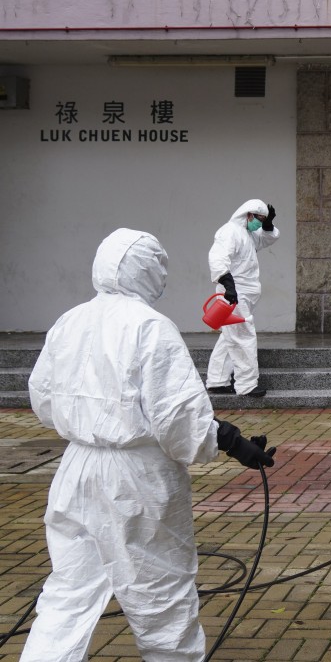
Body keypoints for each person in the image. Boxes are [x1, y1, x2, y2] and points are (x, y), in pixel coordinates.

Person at [22, 228, 276, 662]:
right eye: (159, 267)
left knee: (69, 593)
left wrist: (92, 425)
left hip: (77, 470)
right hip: (137, 479)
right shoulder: (150, 328)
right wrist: (231, 442)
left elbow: (42, 397)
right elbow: (180, 421)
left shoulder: (71, 320)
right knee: (161, 595)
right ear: (146, 270)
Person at [206, 199, 280, 397]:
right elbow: (218, 257)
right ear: (248, 215)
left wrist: (268, 225)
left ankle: (217, 380)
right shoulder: (229, 231)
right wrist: (227, 284)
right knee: (243, 335)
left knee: (230, 336)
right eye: (259, 219)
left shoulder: (246, 234)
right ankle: (246, 385)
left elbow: (266, 239)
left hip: (243, 292)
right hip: (234, 292)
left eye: (262, 220)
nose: (259, 223)